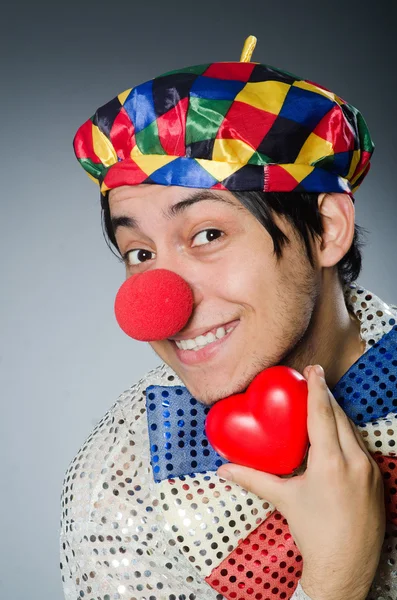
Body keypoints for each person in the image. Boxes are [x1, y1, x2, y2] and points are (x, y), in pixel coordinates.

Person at [60, 36, 397, 600]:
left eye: (208, 235)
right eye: (140, 254)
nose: (162, 303)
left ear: (328, 230)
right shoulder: (119, 478)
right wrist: (337, 580)